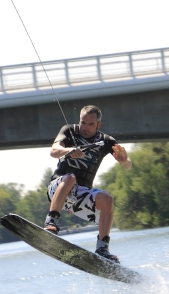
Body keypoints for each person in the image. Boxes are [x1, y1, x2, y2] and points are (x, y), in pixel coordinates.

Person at [44, 105, 132, 262]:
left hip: (80, 196)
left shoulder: (105, 141)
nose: (85, 127)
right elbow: (53, 150)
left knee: (108, 200)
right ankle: (51, 222)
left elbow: (127, 165)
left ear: (98, 125)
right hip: (58, 188)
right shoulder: (69, 130)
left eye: (90, 124)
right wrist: (68, 151)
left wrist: (124, 159)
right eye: (83, 122)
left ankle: (102, 248)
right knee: (70, 178)